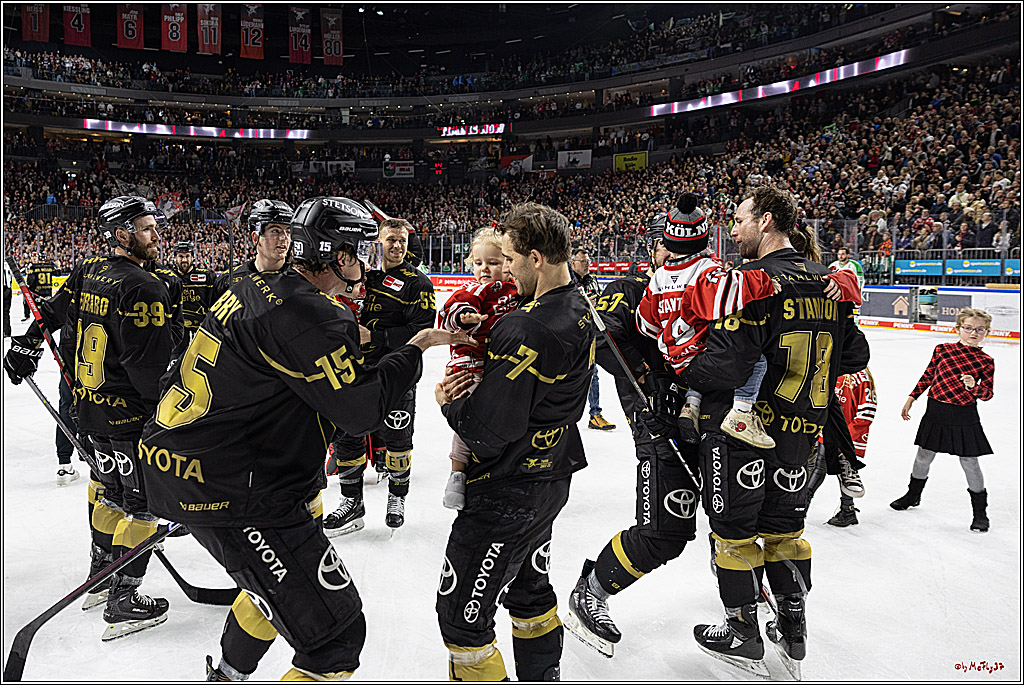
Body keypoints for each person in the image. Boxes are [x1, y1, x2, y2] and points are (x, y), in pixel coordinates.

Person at [137, 196, 471, 681]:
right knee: (334, 634)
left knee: (275, 598)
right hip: (234, 489)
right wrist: (415, 348)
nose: (367, 260)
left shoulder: (254, 283)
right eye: (360, 249)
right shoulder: (309, 314)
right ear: (338, 256)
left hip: (184, 462)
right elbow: (359, 411)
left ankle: (227, 674)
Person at [679, 186, 869, 678]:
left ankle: (742, 629)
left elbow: (727, 364)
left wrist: (684, 372)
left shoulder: (751, 281)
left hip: (745, 433)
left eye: (739, 219)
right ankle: (793, 628)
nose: (733, 228)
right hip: (805, 433)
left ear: (765, 221)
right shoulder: (828, 281)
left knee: (735, 535)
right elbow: (855, 356)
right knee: (786, 534)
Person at [433, 202, 595, 681]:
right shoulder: (579, 305)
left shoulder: (527, 324)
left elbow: (488, 428)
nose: (504, 267)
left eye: (510, 257)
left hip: (508, 485)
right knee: (529, 590)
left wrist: (449, 404)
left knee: (460, 616)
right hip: (552, 473)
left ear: (535, 258)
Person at [4, 195, 177, 640]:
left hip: (89, 412)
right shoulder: (144, 288)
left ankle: (100, 575)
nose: (157, 236)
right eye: (146, 229)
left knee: (110, 496)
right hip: (132, 419)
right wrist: (172, 418)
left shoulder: (87, 271)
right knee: (141, 506)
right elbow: (149, 369)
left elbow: (50, 313)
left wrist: (26, 343)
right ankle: (124, 597)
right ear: (121, 235)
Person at [563, 212, 700, 658]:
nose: (674, 255)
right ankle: (594, 588)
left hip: (710, 415)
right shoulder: (630, 287)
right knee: (664, 529)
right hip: (658, 421)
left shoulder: (707, 280)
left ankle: (743, 607)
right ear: (655, 248)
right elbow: (600, 339)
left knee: (732, 520)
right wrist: (648, 381)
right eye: (668, 247)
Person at [325, 217, 436, 534]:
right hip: (353, 374)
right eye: (391, 240)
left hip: (396, 376)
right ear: (378, 242)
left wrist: (374, 337)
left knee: (398, 441)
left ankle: (397, 498)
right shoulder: (362, 275)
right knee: (348, 440)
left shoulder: (418, 283)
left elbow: (422, 333)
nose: (397, 246)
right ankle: (351, 503)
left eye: (402, 240)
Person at [437, 227, 519, 511]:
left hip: (497, 367)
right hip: (469, 364)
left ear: (508, 263)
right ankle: (457, 472)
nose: (485, 269)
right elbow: (452, 310)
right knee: (468, 417)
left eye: (493, 262)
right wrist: (465, 317)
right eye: (479, 263)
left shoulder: (518, 290)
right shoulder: (474, 290)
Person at [891, 308, 995, 532]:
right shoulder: (943, 350)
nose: (973, 333)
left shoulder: (986, 361)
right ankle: (913, 495)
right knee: (924, 455)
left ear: (987, 332)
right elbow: (928, 375)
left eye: (979, 329)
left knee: (969, 461)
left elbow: (987, 394)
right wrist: (911, 398)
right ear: (958, 328)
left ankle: (980, 512)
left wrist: (973, 386)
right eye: (968, 328)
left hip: (964, 415)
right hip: (935, 411)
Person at [808, 368, 877, 527]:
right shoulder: (833, 369)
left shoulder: (859, 376)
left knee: (820, 466)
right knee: (836, 470)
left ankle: (798, 508)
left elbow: (867, 412)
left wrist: (845, 439)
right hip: (827, 431)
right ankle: (848, 510)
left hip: (843, 435)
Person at [212, 199, 294, 301]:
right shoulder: (228, 281)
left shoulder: (300, 280)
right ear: (256, 238)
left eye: (288, 231)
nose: (284, 238)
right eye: (275, 231)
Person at [572, 248, 616, 431]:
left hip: (590, 333)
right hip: (571, 335)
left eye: (588, 261)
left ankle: (595, 414)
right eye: (584, 262)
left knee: (593, 374)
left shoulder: (592, 280)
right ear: (573, 263)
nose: (587, 264)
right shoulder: (566, 281)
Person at [170, 240, 217, 356]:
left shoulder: (206, 276)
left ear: (193, 257)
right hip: (178, 328)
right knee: (175, 362)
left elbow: (214, 301)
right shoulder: (169, 277)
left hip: (202, 327)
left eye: (187, 256)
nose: (184, 260)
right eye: (180, 256)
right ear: (175, 257)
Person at [24, 251, 56, 320]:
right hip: (47, 291)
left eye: (35, 257)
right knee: (47, 308)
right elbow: (58, 273)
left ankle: (31, 317)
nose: (34, 258)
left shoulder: (33, 267)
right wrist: (57, 266)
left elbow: (31, 280)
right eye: (33, 256)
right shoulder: (49, 266)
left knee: (38, 309)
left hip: (38, 291)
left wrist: (30, 286)